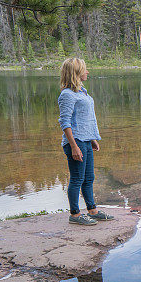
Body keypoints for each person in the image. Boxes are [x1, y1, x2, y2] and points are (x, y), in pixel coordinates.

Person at [58, 57, 114, 225]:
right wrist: (74, 146)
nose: (87, 72)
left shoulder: (82, 91)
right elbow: (65, 122)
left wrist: (92, 139)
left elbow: (85, 119)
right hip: (75, 142)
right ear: (75, 73)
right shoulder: (67, 95)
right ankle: (74, 215)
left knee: (89, 177)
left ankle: (92, 210)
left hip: (85, 140)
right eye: (84, 69)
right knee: (77, 178)